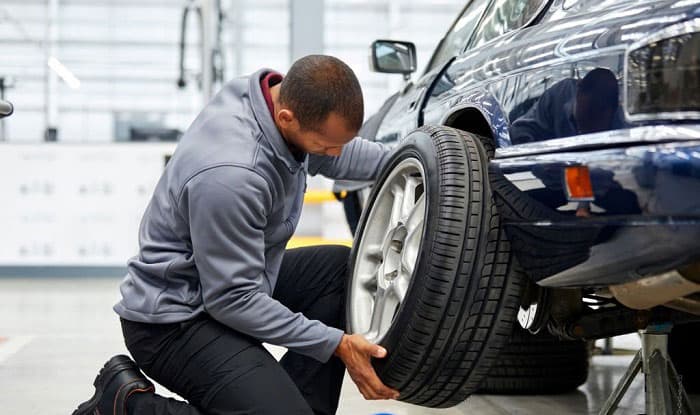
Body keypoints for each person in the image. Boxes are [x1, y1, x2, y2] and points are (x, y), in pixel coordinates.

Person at [73, 55, 398, 415]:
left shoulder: (270, 100)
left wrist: (439, 158)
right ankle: (127, 406)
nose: (334, 154)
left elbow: (346, 155)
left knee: (338, 272)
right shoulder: (233, 175)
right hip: (174, 320)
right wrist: (336, 343)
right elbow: (232, 299)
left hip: (227, 283)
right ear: (287, 118)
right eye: (325, 146)